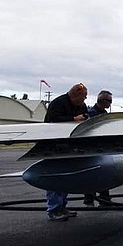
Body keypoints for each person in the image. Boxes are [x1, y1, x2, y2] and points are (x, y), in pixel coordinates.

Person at [43, 83, 89, 221]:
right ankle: (54, 209)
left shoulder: (81, 106)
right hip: (53, 146)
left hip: (69, 146)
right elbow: (51, 121)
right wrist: (73, 119)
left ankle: (62, 206)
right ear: (75, 95)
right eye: (83, 97)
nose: (84, 100)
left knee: (66, 177)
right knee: (55, 177)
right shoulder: (58, 103)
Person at [83, 90, 113, 206]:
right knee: (91, 174)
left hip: (101, 147)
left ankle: (104, 198)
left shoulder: (103, 114)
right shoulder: (91, 114)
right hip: (91, 148)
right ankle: (90, 198)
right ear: (103, 101)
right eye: (109, 101)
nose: (110, 103)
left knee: (103, 173)